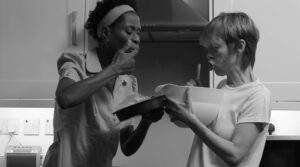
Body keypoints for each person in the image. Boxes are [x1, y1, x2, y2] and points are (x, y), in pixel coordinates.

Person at [42, 0, 163, 167]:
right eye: (129, 31)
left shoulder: (127, 82)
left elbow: (127, 146)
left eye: (138, 32)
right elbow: (65, 97)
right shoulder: (76, 63)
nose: (136, 39)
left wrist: (146, 121)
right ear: (106, 33)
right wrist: (114, 69)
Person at [165, 12, 271, 167]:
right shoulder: (222, 87)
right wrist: (195, 100)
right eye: (208, 48)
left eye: (215, 47)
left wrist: (191, 120)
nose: (208, 55)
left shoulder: (258, 95)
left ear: (240, 47)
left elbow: (235, 155)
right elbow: (203, 129)